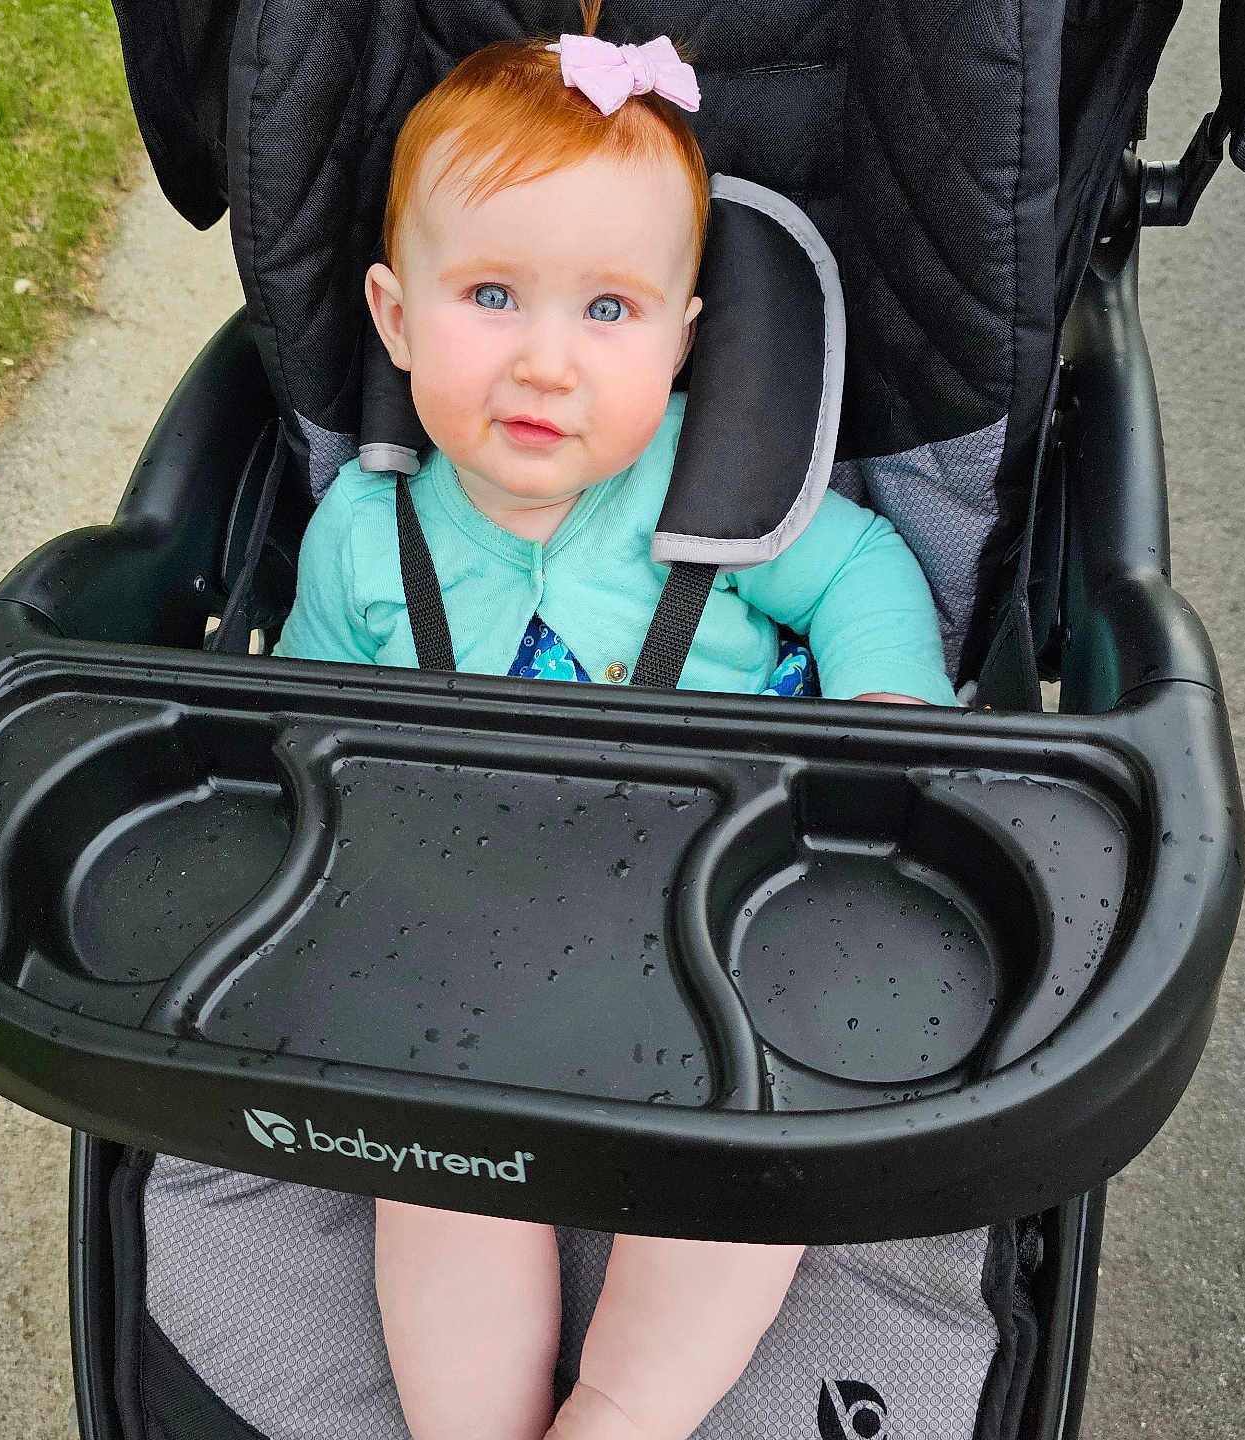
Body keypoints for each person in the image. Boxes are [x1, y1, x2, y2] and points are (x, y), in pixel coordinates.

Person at [275, 5, 955, 1436]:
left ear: (682, 342)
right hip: (459, 938)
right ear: (395, 317)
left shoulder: (725, 508)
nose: (545, 363)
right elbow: (308, 725)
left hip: (720, 927)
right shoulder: (361, 530)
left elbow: (871, 574)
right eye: (493, 298)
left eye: (607, 312)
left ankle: (621, 1414)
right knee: (430, 1166)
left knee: (764, 1162)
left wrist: (892, 719)